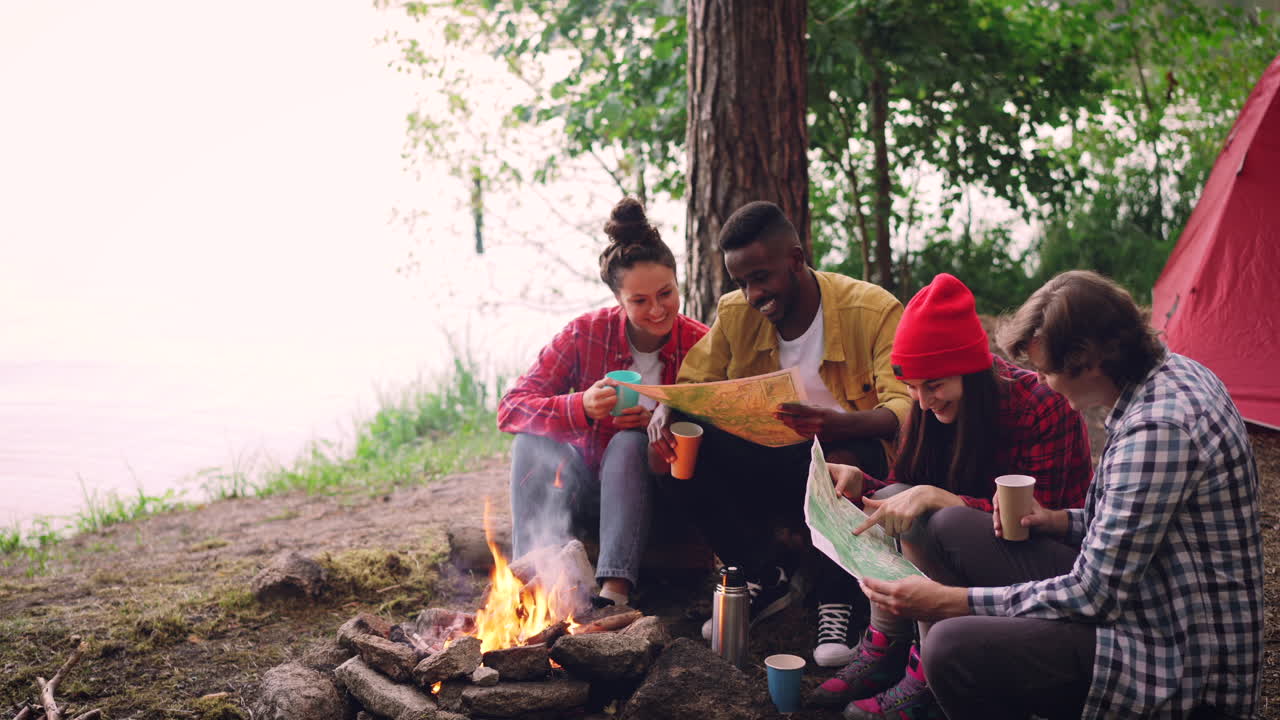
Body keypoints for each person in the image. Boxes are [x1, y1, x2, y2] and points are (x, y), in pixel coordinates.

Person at [854, 270, 1263, 720]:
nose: (1044, 382)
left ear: (1087, 361)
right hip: (1151, 592)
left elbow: (1094, 596)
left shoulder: (1157, 430)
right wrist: (1058, 520)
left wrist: (952, 601)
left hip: (1172, 653)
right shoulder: (1173, 374)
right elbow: (1132, 522)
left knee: (949, 648)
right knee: (949, 526)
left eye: (1047, 370)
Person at [808, 272, 1093, 717]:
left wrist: (950, 500)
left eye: (934, 385)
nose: (922, 401)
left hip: (1049, 564)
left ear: (972, 370)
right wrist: (862, 484)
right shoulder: (924, 409)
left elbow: (1047, 521)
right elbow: (905, 490)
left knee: (940, 518)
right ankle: (887, 647)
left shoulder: (1041, 406)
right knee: (902, 498)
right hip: (959, 551)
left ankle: (925, 675)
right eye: (913, 387)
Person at [647, 200, 912, 665]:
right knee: (684, 447)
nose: (752, 293)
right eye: (741, 282)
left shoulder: (870, 308)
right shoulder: (735, 314)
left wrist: (837, 424)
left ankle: (841, 598)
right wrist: (666, 411)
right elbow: (693, 385)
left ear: (795, 259)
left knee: (853, 452)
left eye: (761, 277)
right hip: (773, 464)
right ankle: (758, 575)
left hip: (851, 468)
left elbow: (905, 406)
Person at [497, 197, 708, 608]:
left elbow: (725, 424)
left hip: (662, 498)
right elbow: (511, 409)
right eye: (640, 301)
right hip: (582, 495)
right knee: (530, 442)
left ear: (678, 283)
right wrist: (580, 407)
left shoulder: (700, 344)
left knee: (629, 443)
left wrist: (664, 423)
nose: (657, 309)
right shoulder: (584, 334)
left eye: (666, 293)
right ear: (618, 301)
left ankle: (614, 592)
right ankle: (534, 576)